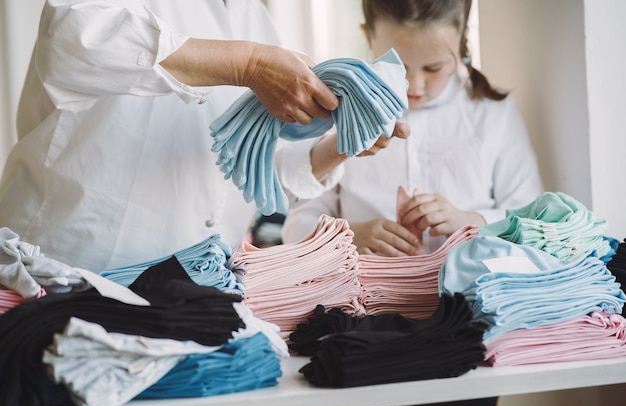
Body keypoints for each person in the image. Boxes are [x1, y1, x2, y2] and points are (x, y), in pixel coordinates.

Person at [0, 0, 408, 273]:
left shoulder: (254, 17)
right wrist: (248, 64)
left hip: (199, 284)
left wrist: (343, 143)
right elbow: (73, 40)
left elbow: (253, 166)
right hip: (72, 263)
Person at [280, 0, 544, 262]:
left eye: (434, 68)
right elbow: (296, 225)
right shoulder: (337, 113)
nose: (415, 85)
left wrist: (472, 222)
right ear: (368, 37)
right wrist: (344, 238)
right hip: (367, 296)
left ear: (462, 41)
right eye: (400, 66)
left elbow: (534, 219)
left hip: (472, 295)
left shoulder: (494, 113)